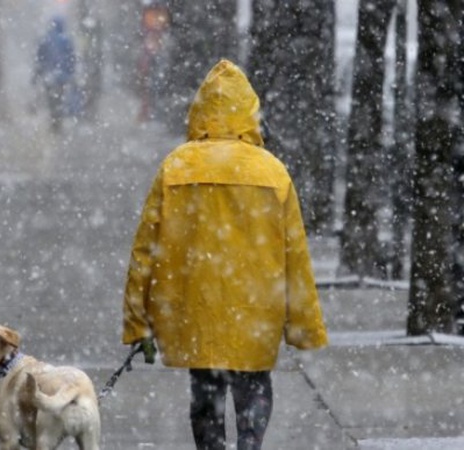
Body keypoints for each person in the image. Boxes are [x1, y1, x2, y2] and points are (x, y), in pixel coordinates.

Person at [121, 59, 328, 450]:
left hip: (195, 307)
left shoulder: (176, 166)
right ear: (250, 112)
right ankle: (250, 444)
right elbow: (295, 255)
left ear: (199, 111)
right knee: (254, 387)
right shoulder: (272, 171)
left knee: (206, 393)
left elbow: (144, 252)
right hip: (256, 308)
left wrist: (139, 322)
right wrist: (303, 325)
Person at [33, 16, 76, 132]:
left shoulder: (46, 39)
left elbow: (40, 58)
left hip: (49, 76)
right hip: (62, 77)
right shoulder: (66, 40)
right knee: (60, 98)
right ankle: (58, 120)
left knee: (51, 99)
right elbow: (71, 59)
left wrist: (38, 74)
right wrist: (71, 73)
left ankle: (54, 120)